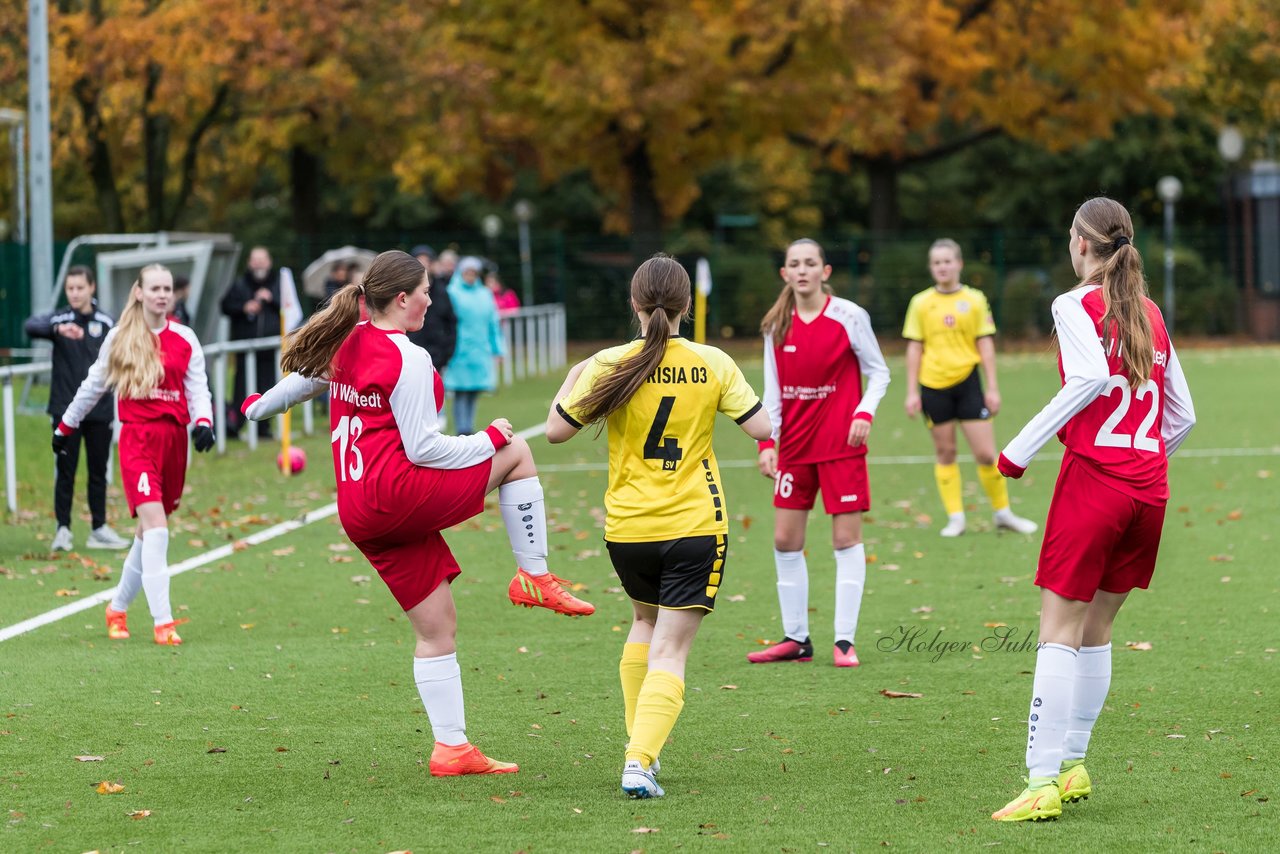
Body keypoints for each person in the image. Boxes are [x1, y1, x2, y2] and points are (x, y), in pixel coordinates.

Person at [240, 250, 594, 778]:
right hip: (395, 496)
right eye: (426, 290)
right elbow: (426, 449)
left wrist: (257, 407)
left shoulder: (349, 340)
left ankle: (451, 749)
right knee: (517, 453)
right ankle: (535, 574)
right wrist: (489, 438)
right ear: (402, 298)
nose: (432, 298)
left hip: (358, 510)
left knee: (437, 628)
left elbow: (304, 381)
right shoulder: (408, 357)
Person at [990, 198, 1196, 822]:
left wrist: (1016, 451)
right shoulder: (1151, 312)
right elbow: (1182, 415)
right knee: (1096, 632)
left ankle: (1041, 781)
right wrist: (1144, 461)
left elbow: (1082, 381)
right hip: (1149, 491)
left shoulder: (1073, 303)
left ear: (1082, 244)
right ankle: (1074, 764)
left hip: (1096, 487)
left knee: (1057, 633)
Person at [546, 254, 771, 798]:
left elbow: (555, 431)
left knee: (644, 626)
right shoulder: (712, 362)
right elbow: (763, 427)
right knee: (671, 649)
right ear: (686, 306)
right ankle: (640, 760)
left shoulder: (607, 363)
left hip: (628, 529)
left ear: (633, 302)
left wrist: (575, 374)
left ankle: (639, 749)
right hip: (694, 524)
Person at [53, 264, 216, 646]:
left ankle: (117, 608)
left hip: (173, 443)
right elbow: (93, 386)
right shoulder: (120, 338)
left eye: (168, 288)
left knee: (146, 536)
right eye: (155, 288)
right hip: (137, 442)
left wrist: (203, 422)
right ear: (139, 292)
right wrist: (66, 426)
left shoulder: (185, 338)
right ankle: (164, 622)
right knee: (158, 529)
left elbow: (198, 388)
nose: (162, 294)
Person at [747, 239, 891, 668]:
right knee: (785, 540)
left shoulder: (849, 316)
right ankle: (796, 639)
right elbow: (772, 392)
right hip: (793, 447)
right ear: (785, 274)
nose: (803, 270)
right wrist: (766, 442)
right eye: (795, 264)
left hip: (841, 448)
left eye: (811, 263)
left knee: (846, 540)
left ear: (825, 271)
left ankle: (844, 641)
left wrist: (863, 411)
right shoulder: (776, 325)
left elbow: (879, 372)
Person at [902, 239, 1039, 537]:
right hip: (933, 386)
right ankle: (956, 518)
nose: (942, 267)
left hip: (969, 383)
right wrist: (912, 391)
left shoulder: (975, 299)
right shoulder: (920, 303)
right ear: (931, 267)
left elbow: (985, 343)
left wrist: (992, 387)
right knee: (946, 452)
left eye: (947, 261)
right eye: (937, 262)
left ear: (959, 264)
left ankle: (1003, 513)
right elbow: (915, 348)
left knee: (987, 454)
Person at [24, 266, 129, 552]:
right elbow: (30, 326)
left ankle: (99, 528)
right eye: (70, 288)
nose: (74, 293)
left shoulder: (107, 322)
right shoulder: (60, 319)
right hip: (64, 409)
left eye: (79, 287)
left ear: (91, 288)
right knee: (65, 470)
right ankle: (63, 529)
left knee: (99, 471)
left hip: (100, 410)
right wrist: (57, 329)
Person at [220, 246, 280, 439]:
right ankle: (235, 425)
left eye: (263, 259)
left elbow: (290, 306)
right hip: (245, 348)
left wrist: (271, 300)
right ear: (249, 263)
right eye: (255, 260)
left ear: (269, 262)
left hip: (270, 350)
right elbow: (225, 305)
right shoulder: (239, 285)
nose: (259, 264)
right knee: (242, 388)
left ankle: (264, 428)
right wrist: (244, 307)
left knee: (268, 387)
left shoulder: (278, 283)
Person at [445, 256, 504, 434]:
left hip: (479, 349)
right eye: (467, 272)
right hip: (459, 349)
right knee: (460, 390)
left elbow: (493, 323)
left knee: (474, 391)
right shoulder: (452, 292)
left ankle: (468, 427)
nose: (470, 276)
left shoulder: (485, 294)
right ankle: (461, 428)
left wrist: (498, 348)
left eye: (473, 273)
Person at [407, 244, 458, 377]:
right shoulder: (404, 291)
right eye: (419, 261)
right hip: (410, 356)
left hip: (437, 357)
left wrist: (446, 353)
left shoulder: (442, 291)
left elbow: (450, 322)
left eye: (426, 261)